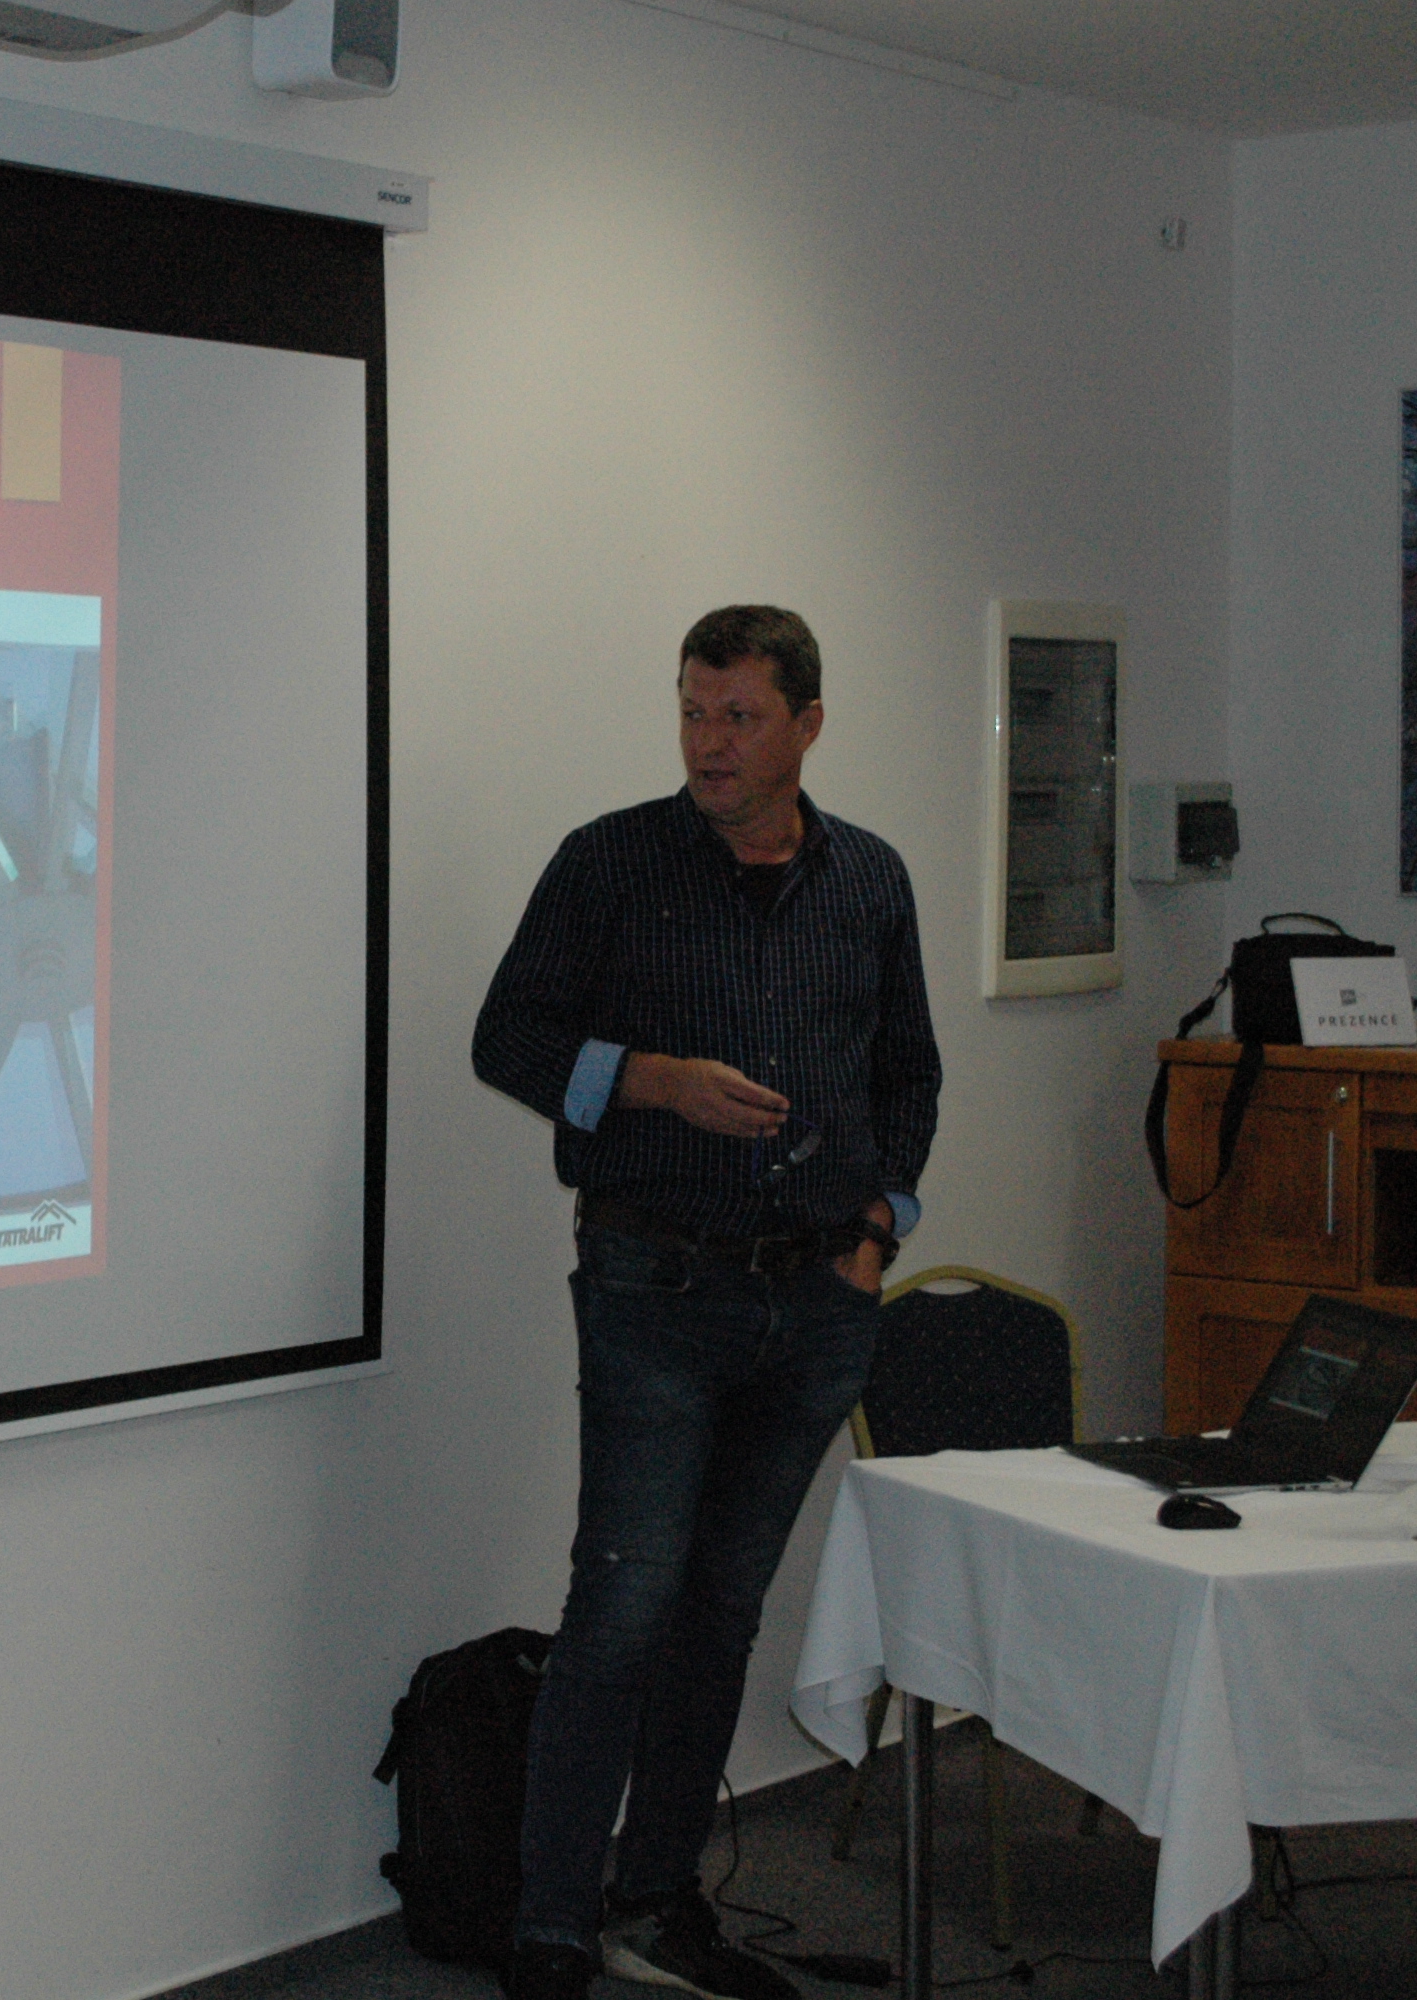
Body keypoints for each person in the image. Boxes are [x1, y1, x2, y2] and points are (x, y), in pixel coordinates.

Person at [468, 605, 940, 2000]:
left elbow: (908, 1072)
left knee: (721, 1613)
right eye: (692, 709)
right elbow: (508, 1036)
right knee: (621, 1607)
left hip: (819, 1301)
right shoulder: (610, 862)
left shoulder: (871, 878)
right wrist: (650, 1080)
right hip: (655, 1290)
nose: (709, 742)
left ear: (807, 724)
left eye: (739, 715)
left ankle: (661, 1899)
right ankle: (554, 1927)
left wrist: (879, 1231)